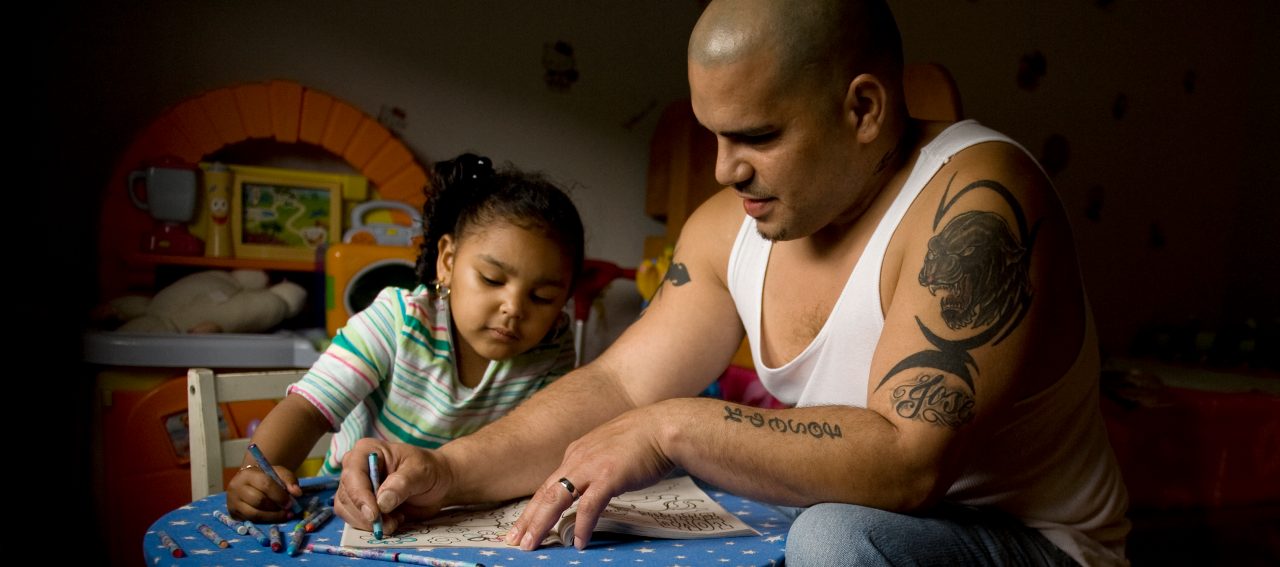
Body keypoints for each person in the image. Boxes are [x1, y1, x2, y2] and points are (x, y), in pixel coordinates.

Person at [333, 1, 1130, 565]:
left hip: (1030, 545)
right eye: (714, 135)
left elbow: (905, 464)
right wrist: (449, 468)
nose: (723, 169)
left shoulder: (979, 195)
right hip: (850, 519)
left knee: (830, 539)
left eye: (757, 136)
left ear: (864, 108)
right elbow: (616, 384)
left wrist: (671, 427)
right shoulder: (728, 225)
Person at [225, 154, 585, 522]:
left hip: (466, 516)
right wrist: (257, 475)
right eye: (492, 279)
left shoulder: (553, 345)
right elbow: (309, 408)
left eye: (542, 298)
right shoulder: (399, 320)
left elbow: (546, 444)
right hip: (356, 507)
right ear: (447, 262)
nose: (514, 308)